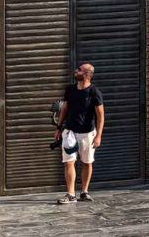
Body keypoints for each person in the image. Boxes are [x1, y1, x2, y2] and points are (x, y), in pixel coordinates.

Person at [53, 63, 104, 204]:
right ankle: (70, 194)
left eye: (79, 70)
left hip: (87, 133)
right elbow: (64, 109)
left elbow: (100, 116)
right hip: (69, 132)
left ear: (86, 74)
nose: (76, 71)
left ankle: (84, 192)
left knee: (87, 162)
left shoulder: (94, 92)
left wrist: (99, 135)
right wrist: (58, 127)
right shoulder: (70, 90)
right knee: (69, 162)